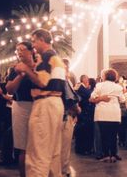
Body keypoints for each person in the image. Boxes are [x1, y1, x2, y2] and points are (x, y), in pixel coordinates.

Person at [15, 29, 66, 177]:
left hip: (45, 104)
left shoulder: (46, 57)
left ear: (42, 39)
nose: (33, 45)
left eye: (34, 41)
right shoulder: (55, 58)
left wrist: (26, 69)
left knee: (38, 153)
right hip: (55, 104)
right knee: (53, 153)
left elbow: (42, 82)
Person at [6, 41, 35, 177]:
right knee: (23, 147)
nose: (19, 52)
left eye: (22, 49)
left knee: (38, 145)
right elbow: (10, 89)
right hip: (20, 106)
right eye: (17, 50)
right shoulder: (15, 69)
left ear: (31, 51)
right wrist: (21, 74)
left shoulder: (39, 66)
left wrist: (30, 70)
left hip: (38, 106)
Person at [90, 69, 126, 163]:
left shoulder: (99, 85)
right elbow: (122, 100)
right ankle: (113, 155)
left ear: (105, 76)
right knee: (113, 136)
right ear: (115, 77)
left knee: (104, 135)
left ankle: (106, 155)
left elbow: (92, 98)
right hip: (114, 114)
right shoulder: (118, 87)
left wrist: (101, 98)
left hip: (102, 113)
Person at [60, 58, 80, 177]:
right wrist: (77, 110)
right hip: (65, 115)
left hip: (65, 115)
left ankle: (63, 169)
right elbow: (70, 99)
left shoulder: (66, 80)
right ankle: (63, 171)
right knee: (64, 146)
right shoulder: (64, 81)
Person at [74, 75, 95, 155]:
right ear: (84, 80)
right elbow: (90, 95)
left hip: (85, 112)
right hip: (84, 112)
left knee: (84, 131)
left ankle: (83, 148)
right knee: (83, 131)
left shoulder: (83, 88)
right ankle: (82, 149)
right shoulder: (81, 88)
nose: (88, 80)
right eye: (87, 78)